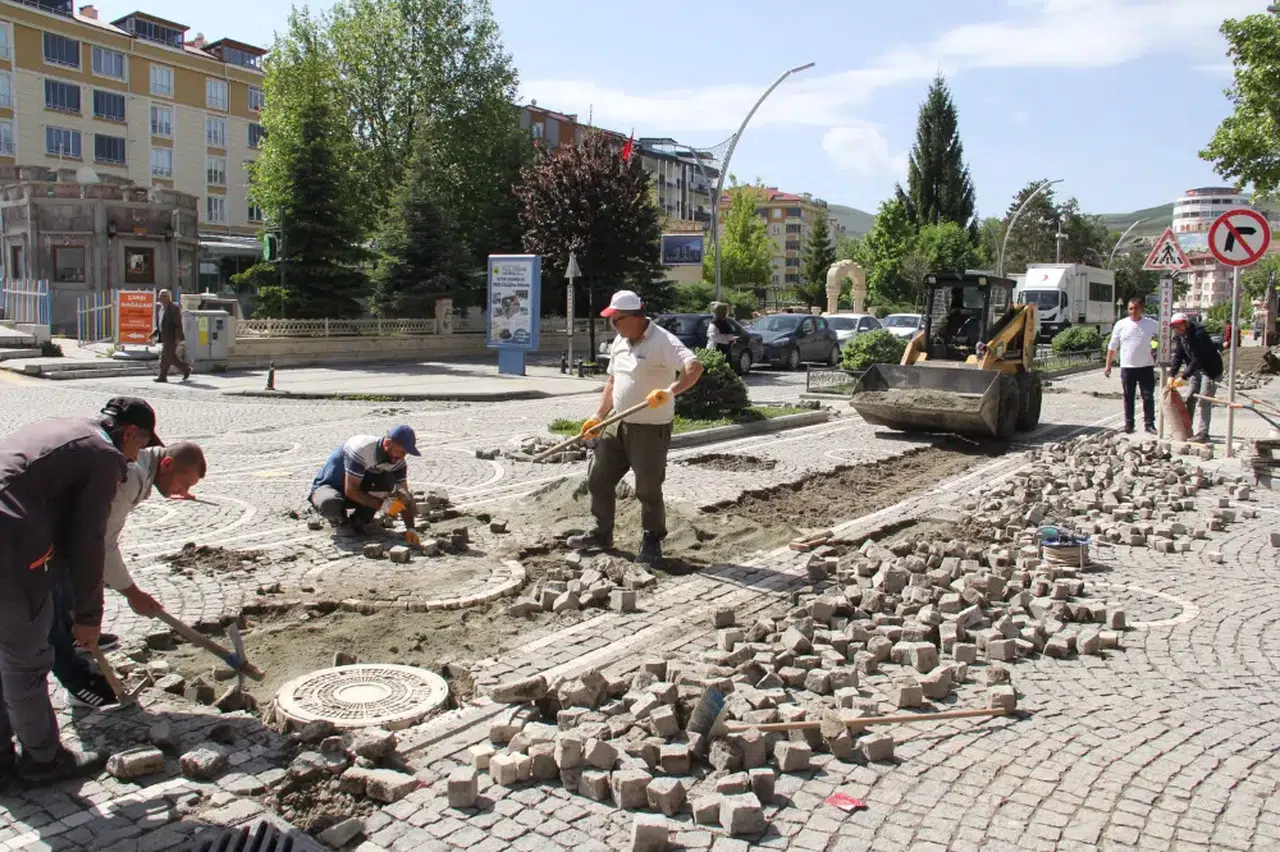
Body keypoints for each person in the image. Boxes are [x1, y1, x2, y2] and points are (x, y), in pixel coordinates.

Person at [0, 397, 159, 786]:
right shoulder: (103, 455)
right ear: (128, 433)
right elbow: (89, 541)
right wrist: (87, 617)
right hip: (11, 548)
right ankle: (44, 760)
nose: (136, 457)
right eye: (139, 446)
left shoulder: (67, 427)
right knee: (24, 662)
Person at [49, 440, 207, 708]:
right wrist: (132, 593)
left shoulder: (145, 467)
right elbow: (100, 544)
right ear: (167, 464)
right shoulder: (131, 476)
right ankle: (77, 685)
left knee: (72, 594)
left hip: (61, 537)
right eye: (185, 483)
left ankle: (80, 633)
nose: (184, 491)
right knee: (52, 617)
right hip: (41, 541)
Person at [567, 289, 704, 565]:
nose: (612, 325)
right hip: (616, 422)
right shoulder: (620, 340)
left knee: (648, 488)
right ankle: (601, 532)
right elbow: (612, 382)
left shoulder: (663, 340)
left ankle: (652, 538)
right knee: (598, 478)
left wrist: (671, 391)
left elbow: (695, 367)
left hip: (650, 428)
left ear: (634, 317)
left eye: (615, 320)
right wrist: (598, 416)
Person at [309, 425, 419, 540]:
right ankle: (341, 522)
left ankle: (361, 520)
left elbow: (404, 496)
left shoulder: (397, 462)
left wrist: (411, 529)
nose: (402, 457)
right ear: (388, 444)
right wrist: (384, 505)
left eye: (405, 453)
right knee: (329, 503)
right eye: (401, 451)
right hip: (331, 488)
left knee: (387, 480)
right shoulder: (361, 449)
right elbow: (351, 491)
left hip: (358, 491)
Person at [1104, 296, 1161, 435]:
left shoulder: (1151, 324)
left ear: (1141, 309)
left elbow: (1164, 336)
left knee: (1148, 397)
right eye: (1130, 308)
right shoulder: (1121, 324)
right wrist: (1108, 365)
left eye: (1136, 308)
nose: (1133, 311)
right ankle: (1129, 424)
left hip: (1146, 366)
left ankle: (1149, 424)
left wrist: (1159, 351)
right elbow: (1112, 346)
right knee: (1128, 396)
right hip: (1128, 367)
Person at [1169, 313, 1224, 444]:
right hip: (1196, 370)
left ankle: (1203, 433)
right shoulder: (1181, 336)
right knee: (1189, 398)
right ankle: (1187, 429)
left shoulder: (1199, 335)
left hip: (1210, 370)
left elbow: (1198, 359)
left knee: (1204, 400)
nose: (1178, 329)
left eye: (1180, 325)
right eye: (1175, 327)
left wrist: (1183, 377)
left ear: (1186, 323)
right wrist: (1172, 375)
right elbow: (1178, 355)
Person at [152, 289, 191, 383]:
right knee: (172, 358)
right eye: (160, 296)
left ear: (168, 297)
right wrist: (155, 332)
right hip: (165, 337)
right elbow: (161, 323)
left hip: (172, 337)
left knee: (165, 357)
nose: (161, 298)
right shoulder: (161, 308)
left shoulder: (174, 308)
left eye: (163, 296)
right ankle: (186, 369)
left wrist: (177, 338)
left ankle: (162, 376)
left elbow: (178, 324)